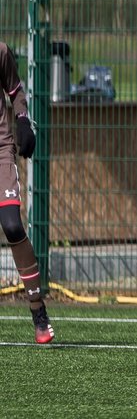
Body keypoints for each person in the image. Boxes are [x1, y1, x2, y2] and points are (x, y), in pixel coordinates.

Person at [0, 42, 48, 343]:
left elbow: (15, 91)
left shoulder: (1, 51)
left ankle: (37, 308)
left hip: (1, 150)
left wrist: (22, 121)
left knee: (13, 225)